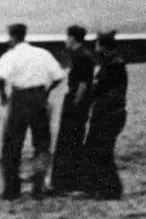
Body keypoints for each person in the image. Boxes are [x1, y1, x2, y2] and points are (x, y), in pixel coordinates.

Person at [0, 22, 66, 200]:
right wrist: (47, 91)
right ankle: (38, 186)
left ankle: (11, 189)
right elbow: (58, 76)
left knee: (12, 144)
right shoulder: (42, 53)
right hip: (39, 98)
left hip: (19, 98)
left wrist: (3, 95)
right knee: (41, 143)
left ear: (12, 36)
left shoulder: (10, 55)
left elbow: (0, 78)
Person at [49, 24, 97, 195]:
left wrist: (75, 103)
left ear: (72, 38)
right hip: (79, 102)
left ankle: (67, 182)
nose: (65, 40)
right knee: (72, 139)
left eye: (67, 37)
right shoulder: (83, 55)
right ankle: (70, 182)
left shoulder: (81, 57)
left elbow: (83, 84)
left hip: (76, 102)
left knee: (69, 140)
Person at [84, 30, 129, 200]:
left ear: (103, 47)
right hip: (112, 113)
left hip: (107, 114)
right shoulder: (115, 63)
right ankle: (106, 188)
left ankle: (109, 189)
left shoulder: (111, 65)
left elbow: (98, 89)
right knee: (102, 151)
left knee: (100, 151)